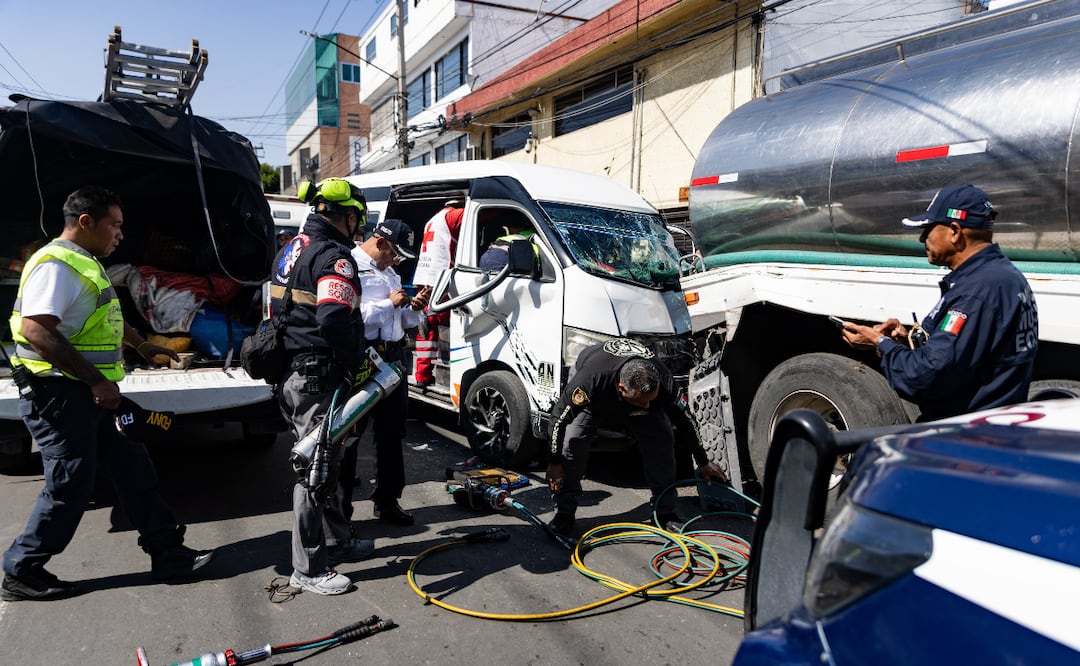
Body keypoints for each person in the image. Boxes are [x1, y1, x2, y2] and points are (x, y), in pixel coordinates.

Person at [2, 186, 215, 602]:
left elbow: (105, 317)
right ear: (86, 222)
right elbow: (36, 330)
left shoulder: (84, 262)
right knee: (70, 485)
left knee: (134, 468)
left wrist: (141, 345)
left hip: (86, 393)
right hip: (60, 394)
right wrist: (96, 382)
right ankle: (22, 570)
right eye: (114, 225)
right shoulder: (57, 265)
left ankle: (169, 554)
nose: (120, 234)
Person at [840, 184, 1038, 421]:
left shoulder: (975, 291)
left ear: (954, 231)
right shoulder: (1003, 276)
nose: (922, 238)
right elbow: (966, 354)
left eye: (928, 229)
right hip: (991, 429)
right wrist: (906, 341)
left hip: (966, 438)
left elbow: (925, 377)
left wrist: (881, 343)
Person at [273, 178, 372, 596]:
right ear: (347, 217)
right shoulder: (335, 257)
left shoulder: (290, 249)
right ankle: (308, 568)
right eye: (357, 221)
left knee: (325, 462)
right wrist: (358, 362)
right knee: (314, 472)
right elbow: (333, 318)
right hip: (318, 376)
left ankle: (337, 540)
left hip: (294, 371)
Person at [546, 338, 727, 536]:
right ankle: (564, 514)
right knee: (572, 443)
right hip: (598, 397)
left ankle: (664, 513)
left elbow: (687, 421)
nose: (647, 407)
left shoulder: (663, 383)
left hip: (635, 389)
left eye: (651, 400)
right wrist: (554, 462)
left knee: (663, 438)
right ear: (622, 388)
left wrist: (703, 462)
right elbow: (558, 419)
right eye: (643, 403)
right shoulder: (591, 380)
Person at [348, 219, 429, 526]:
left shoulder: (390, 272)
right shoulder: (350, 266)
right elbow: (353, 316)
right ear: (380, 242)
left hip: (393, 356)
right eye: (395, 253)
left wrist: (415, 307)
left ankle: (388, 499)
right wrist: (388, 303)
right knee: (351, 434)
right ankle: (342, 512)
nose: (397, 261)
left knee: (393, 432)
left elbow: (401, 320)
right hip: (365, 358)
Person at [412, 200, 463, 387]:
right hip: (439, 282)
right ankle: (446, 375)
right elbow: (479, 213)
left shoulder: (433, 219)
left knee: (426, 328)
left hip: (426, 278)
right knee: (445, 324)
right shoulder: (452, 216)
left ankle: (422, 376)